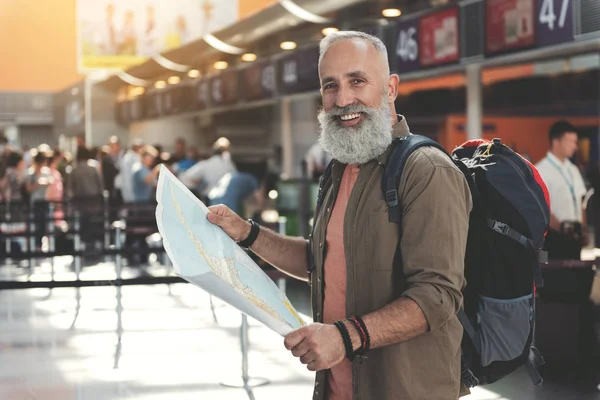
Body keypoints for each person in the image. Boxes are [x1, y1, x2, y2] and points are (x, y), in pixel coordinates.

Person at [207, 31, 472, 400]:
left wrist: (343, 337)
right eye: (330, 86)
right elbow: (321, 262)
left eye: (357, 81)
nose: (343, 99)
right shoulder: (340, 170)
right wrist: (246, 234)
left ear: (391, 88)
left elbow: (438, 295)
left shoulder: (426, 170)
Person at [536, 121, 588, 259]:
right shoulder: (541, 170)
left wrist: (583, 229)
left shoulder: (573, 169)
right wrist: (562, 229)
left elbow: (580, 201)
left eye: (575, 142)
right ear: (556, 141)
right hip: (555, 238)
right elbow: (541, 207)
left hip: (575, 238)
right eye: (570, 142)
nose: (574, 147)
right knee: (558, 278)